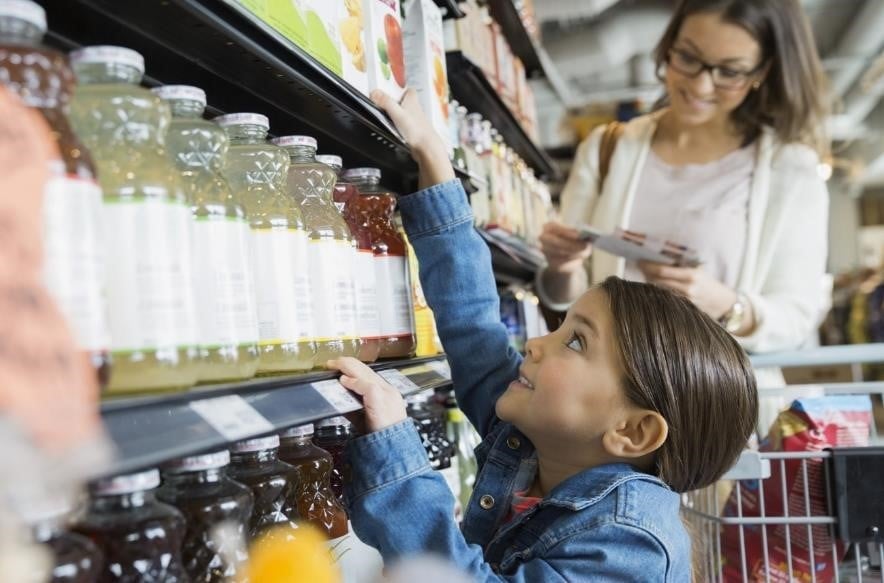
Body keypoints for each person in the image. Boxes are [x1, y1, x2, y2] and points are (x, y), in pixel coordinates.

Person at [326, 86, 758, 581]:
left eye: (575, 341)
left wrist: (395, 455)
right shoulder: (542, 441)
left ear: (632, 432)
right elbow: (474, 327)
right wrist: (434, 161)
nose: (533, 343)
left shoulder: (631, 540)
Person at [537, 0, 829, 356]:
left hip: (718, 403)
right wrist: (563, 267)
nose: (701, 86)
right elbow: (565, 297)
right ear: (668, 44)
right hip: (608, 397)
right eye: (688, 58)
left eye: (729, 72)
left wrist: (726, 304)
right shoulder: (608, 148)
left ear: (761, 72)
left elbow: (798, 316)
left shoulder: (791, 169)